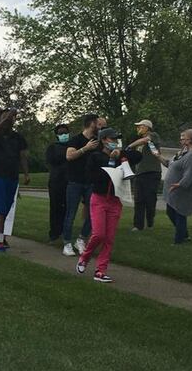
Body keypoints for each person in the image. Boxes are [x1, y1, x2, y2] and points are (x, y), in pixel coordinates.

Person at [76, 128, 142, 283]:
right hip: (99, 199)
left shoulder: (121, 155)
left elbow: (138, 156)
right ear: (104, 140)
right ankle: (85, 256)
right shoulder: (95, 157)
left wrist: (123, 153)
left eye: (116, 139)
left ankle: (100, 270)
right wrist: (112, 161)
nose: (115, 142)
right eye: (112, 139)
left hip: (115, 200)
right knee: (99, 234)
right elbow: (94, 177)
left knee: (109, 238)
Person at [0, 109, 30, 252]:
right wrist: (4, 120)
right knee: (1, 208)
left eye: (12, 118)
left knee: (7, 207)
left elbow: (22, 155)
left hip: (12, 175)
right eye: (7, 118)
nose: (10, 119)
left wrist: (26, 173)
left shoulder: (18, 137)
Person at [62, 114, 101, 256]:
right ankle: (66, 243)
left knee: (92, 213)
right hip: (75, 182)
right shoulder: (76, 139)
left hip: (91, 182)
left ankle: (81, 239)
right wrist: (85, 148)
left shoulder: (98, 141)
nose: (100, 127)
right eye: (98, 124)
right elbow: (69, 156)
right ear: (91, 124)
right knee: (71, 213)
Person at [158, 129, 192, 244]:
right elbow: (170, 164)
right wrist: (159, 157)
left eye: (183, 138)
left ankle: (179, 240)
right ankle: (184, 234)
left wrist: (180, 184)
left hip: (182, 191)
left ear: (189, 140)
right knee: (170, 212)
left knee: (179, 213)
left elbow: (190, 174)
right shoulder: (181, 153)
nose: (180, 140)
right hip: (174, 190)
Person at [126, 119, 163, 230]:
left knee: (150, 199)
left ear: (147, 127)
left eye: (140, 126)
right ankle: (138, 225)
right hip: (140, 173)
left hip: (152, 173)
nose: (138, 128)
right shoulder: (140, 142)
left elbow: (146, 140)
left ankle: (150, 222)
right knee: (138, 200)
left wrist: (130, 145)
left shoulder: (153, 135)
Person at [46, 123, 70, 241]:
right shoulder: (53, 147)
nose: (64, 135)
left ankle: (65, 230)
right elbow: (51, 161)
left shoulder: (72, 146)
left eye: (66, 133)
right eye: (61, 133)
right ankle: (54, 232)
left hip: (69, 181)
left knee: (67, 208)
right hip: (56, 181)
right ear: (57, 135)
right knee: (55, 207)